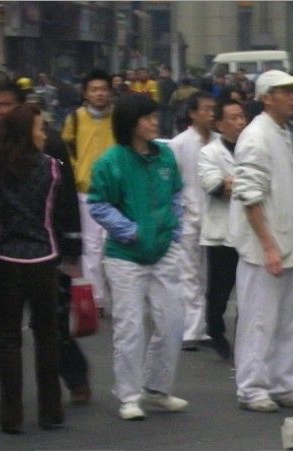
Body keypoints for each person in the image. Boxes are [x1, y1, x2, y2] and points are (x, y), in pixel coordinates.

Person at [0, 83, 88, 411]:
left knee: (51, 327)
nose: (1, 111)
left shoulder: (51, 148)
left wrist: (72, 245)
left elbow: (65, 199)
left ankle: (75, 379)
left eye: (7, 104)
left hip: (46, 250)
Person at [88, 94, 188, 421]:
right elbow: (98, 204)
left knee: (172, 320)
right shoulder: (110, 162)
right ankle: (129, 395)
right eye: (146, 118)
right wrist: (129, 231)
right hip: (124, 255)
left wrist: (173, 230)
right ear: (130, 124)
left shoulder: (165, 157)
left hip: (163, 249)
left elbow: (176, 194)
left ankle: (158, 387)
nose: (153, 122)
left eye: (154, 116)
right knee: (130, 326)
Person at [0, 104, 75, 433]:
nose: (44, 134)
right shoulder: (52, 167)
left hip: (4, 258)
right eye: (40, 128)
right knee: (46, 336)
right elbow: (60, 210)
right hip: (43, 258)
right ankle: (50, 412)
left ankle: (11, 416)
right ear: (27, 133)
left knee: (8, 340)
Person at [228, 70, 293, 413]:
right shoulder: (256, 137)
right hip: (265, 248)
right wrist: (268, 245)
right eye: (285, 91)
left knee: (287, 319)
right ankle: (252, 387)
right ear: (267, 97)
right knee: (259, 319)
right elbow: (250, 196)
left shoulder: (282, 133)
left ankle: (283, 383)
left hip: (288, 241)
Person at [61, 69, 116, 315]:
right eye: (94, 89)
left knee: (114, 246)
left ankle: (121, 297)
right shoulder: (74, 118)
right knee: (92, 247)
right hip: (86, 192)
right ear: (85, 93)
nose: (99, 94)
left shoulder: (118, 118)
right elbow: (66, 151)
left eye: (103, 89)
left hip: (115, 192)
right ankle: (96, 300)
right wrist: (74, 174)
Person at [198, 96, 248, 360]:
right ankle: (216, 331)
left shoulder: (252, 148)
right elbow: (215, 186)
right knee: (219, 292)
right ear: (219, 124)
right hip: (220, 234)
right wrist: (248, 184)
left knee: (248, 292)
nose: (240, 122)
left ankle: (244, 343)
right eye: (233, 118)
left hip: (248, 232)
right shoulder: (209, 153)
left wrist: (235, 183)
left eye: (242, 117)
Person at [168, 92, 217, 349]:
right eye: (206, 109)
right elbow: (172, 184)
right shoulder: (179, 144)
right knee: (189, 272)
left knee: (208, 274)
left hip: (214, 217)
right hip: (188, 216)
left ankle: (202, 327)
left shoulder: (220, 143)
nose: (211, 114)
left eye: (213, 109)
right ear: (193, 113)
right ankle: (190, 330)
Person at [157, 65, 178, 138]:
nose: (162, 73)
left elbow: (175, 96)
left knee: (168, 127)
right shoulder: (159, 83)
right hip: (161, 108)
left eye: (164, 71)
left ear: (170, 73)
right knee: (161, 127)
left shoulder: (173, 84)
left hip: (169, 108)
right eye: (162, 71)